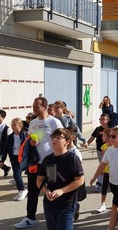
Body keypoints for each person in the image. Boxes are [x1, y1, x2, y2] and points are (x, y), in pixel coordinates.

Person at [15, 97, 63, 229]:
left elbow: (64, 139)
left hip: (52, 162)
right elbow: (30, 138)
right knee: (33, 189)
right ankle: (30, 217)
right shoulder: (33, 123)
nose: (34, 108)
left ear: (45, 107)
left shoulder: (54, 122)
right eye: (33, 106)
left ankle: (58, 215)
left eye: (37, 106)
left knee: (53, 190)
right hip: (35, 162)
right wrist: (31, 142)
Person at [36, 128, 84, 230]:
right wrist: (46, 191)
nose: (54, 140)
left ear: (67, 142)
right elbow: (39, 180)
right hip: (49, 204)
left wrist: (62, 190)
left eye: (58, 138)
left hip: (67, 204)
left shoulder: (72, 158)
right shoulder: (47, 159)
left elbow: (80, 180)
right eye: (53, 137)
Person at [0, 118, 28, 201]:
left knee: (16, 174)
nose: (12, 126)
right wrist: (2, 160)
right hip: (14, 158)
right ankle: (21, 190)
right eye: (12, 124)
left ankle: (22, 190)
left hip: (22, 158)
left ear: (20, 125)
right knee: (17, 174)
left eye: (14, 125)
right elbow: (6, 149)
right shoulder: (10, 137)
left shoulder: (25, 135)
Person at [84, 113, 110, 191]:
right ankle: (100, 182)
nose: (101, 120)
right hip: (100, 150)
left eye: (103, 119)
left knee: (107, 166)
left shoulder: (111, 129)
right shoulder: (98, 129)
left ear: (107, 120)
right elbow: (92, 137)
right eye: (100, 119)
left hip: (110, 150)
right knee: (102, 166)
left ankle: (103, 182)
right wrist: (87, 143)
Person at [66, 126, 83, 221]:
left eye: (68, 135)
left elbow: (78, 170)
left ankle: (73, 210)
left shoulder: (75, 153)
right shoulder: (62, 149)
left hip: (72, 180)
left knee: (71, 198)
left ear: (73, 137)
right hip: (63, 178)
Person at [96, 128, 112, 213]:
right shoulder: (104, 146)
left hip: (114, 171)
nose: (102, 137)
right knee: (104, 187)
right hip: (106, 171)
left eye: (104, 136)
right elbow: (102, 159)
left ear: (109, 137)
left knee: (115, 189)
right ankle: (103, 204)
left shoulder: (114, 146)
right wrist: (101, 169)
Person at [0, 109, 11, 177]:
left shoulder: (7, 128)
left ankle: (6, 168)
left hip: (2, 147)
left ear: (3, 117)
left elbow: (8, 140)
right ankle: (6, 168)